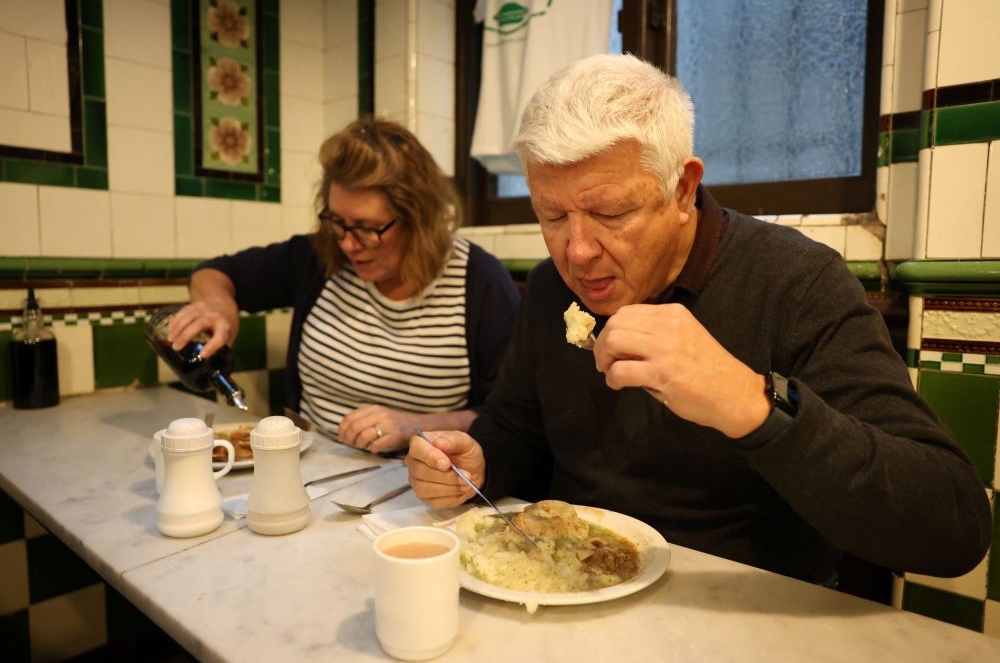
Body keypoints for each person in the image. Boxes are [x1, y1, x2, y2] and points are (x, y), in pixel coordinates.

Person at [405, 55, 992, 584]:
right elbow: (518, 429)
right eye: (551, 214)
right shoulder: (549, 293)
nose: (576, 251)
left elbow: (955, 528)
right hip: (568, 588)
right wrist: (477, 461)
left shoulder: (796, 283)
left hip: (745, 615)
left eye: (610, 212)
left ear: (682, 188)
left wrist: (750, 404)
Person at [168, 118, 520, 454]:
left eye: (368, 227)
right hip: (307, 467)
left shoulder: (481, 285)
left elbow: (509, 417)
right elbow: (213, 273)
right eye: (338, 222)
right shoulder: (318, 257)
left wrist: (417, 426)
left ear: (419, 219)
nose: (348, 245)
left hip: (418, 488)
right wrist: (217, 306)